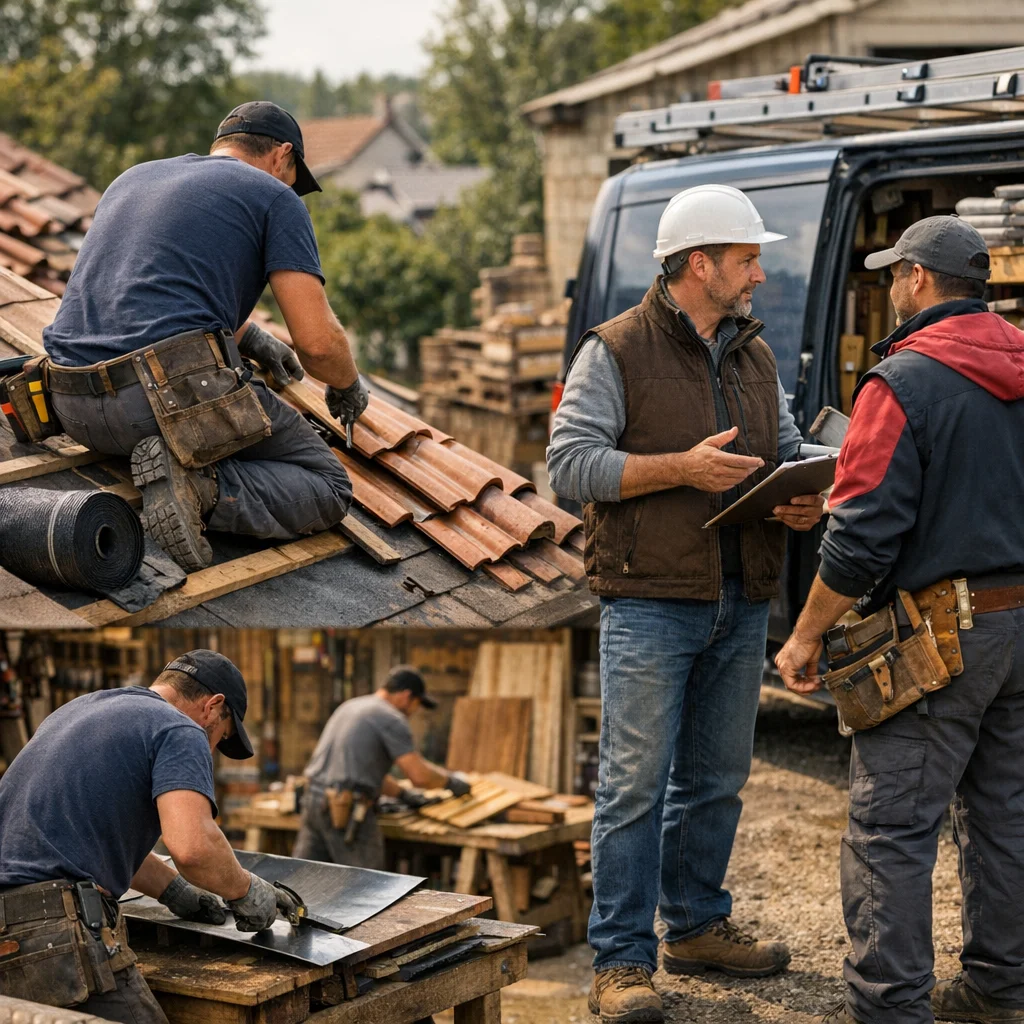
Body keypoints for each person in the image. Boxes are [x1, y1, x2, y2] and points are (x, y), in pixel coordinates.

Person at [547, 183, 828, 1024]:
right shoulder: (614, 350)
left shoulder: (754, 353)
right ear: (699, 264)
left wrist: (804, 490)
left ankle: (697, 925)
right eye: (747, 259)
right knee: (634, 787)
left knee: (717, 780)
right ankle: (622, 962)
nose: (760, 273)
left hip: (740, 594)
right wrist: (680, 468)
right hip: (648, 600)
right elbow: (569, 467)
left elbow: (781, 448)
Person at [775, 216, 1024, 1024]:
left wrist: (808, 632)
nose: (886, 288)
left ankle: (891, 1011)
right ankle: (999, 992)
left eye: (892, 275)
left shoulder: (902, 382)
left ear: (918, 279)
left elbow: (860, 540)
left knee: (892, 833)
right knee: (1006, 819)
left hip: (942, 638)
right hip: (1020, 631)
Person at [41, 100, 368, 572]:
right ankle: (200, 488)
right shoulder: (275, 197)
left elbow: (148, 294)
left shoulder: (132, 178)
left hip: (70, 404)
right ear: (283, 155)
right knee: (328, 485)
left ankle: (176, 470)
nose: (289, 189)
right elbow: (318, 345)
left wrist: (250, 336)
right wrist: (346, 383)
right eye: (292, 177)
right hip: (154, 407)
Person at [0, 650, 300, 1024]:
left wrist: (175, 891)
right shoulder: (179, 728)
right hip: (51, 935)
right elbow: (194, 847)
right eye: (219, 737)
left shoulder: (79, 709)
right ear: (213, 706)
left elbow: (96, 837)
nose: (209, 751)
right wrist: (246, 891)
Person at [293, 666, 472, 870]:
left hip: (313, 802)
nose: (414, 712)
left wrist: (403, 794)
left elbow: (361, 771)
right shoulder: (391, 718)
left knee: (304, 880)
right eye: (416, 705)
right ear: (406, 696)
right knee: (367, 888)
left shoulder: (351, 706)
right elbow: (419, 776)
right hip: (346, 810)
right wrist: (450, 782)